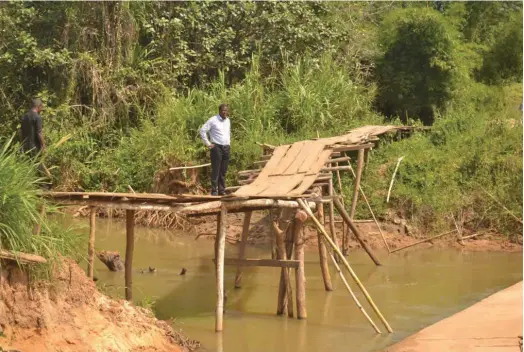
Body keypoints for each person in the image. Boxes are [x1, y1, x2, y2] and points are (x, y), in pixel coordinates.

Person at [199, 104, 231, 196]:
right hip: (216, 147)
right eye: (223, 110)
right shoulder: (213, 120)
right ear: (220, 111)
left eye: (226, 110)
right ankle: (214, 191)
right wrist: (208, 144)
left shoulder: (228, 121)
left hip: (226, 147)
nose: (225, 112)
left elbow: (227, 134)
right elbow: (202, 130)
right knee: (216, 170)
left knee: (223, 170)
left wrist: (229, 144)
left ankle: (222, 190)